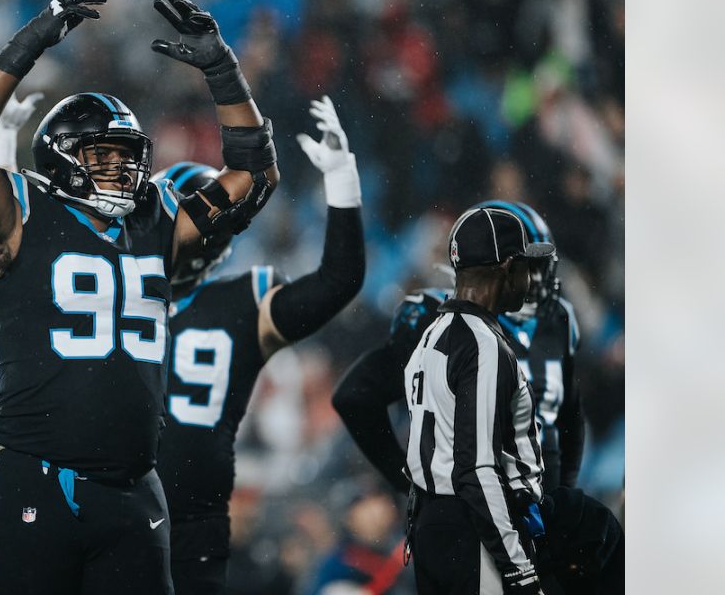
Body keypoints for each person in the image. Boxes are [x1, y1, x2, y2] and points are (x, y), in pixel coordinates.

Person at [0, 0, 279, 595]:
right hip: (35, 478)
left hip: (133, 490)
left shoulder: (156, 219)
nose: (121, 170)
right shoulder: (17, 215)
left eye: (128, 156)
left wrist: (222, 68)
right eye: (102, 156)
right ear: (61, 158)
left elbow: (254, 176)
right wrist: (35, 36)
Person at [153, 95, 366, 595]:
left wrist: (340, 180)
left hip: (178, 510)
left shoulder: (239, 301)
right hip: (135, 503)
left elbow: (338, 282)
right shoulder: (124, 289)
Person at [333, 201, 584, 495]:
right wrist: (406, 481)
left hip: (543, 515)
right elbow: (355, 396)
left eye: (541, 267)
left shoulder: (557, 320)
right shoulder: (436, 319)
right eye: (526, 267)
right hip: (473, 518)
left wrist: (565, 493)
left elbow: (569, 418)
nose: (536, 279)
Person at [401, 205, 555, 594]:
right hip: (473, 532)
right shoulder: (482, 345)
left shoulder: (431, 335)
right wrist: (519, 569)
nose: (529, 278)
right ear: (507, 268)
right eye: (524, 265)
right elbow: (477, 468)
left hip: (431, 523)